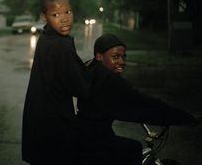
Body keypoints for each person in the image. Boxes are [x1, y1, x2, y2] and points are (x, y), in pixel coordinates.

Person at [77, 33, 198, 165]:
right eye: (115, 57)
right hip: (93, 141)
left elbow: (126, 104)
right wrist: (184, 117)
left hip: (82, 134)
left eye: (123, 57)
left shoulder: (90, 68)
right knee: (133, 149)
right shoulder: (108, 80)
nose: (122, 62)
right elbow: (143, 104)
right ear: (99, 56)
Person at [22, 0, 90, 165]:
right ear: (44, 17)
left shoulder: (46, 38)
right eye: (55, 14)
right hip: (54, 127)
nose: (65, 19)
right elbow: (81, 87)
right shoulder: (60, 44)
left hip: (38, 123)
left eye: (68, 12)